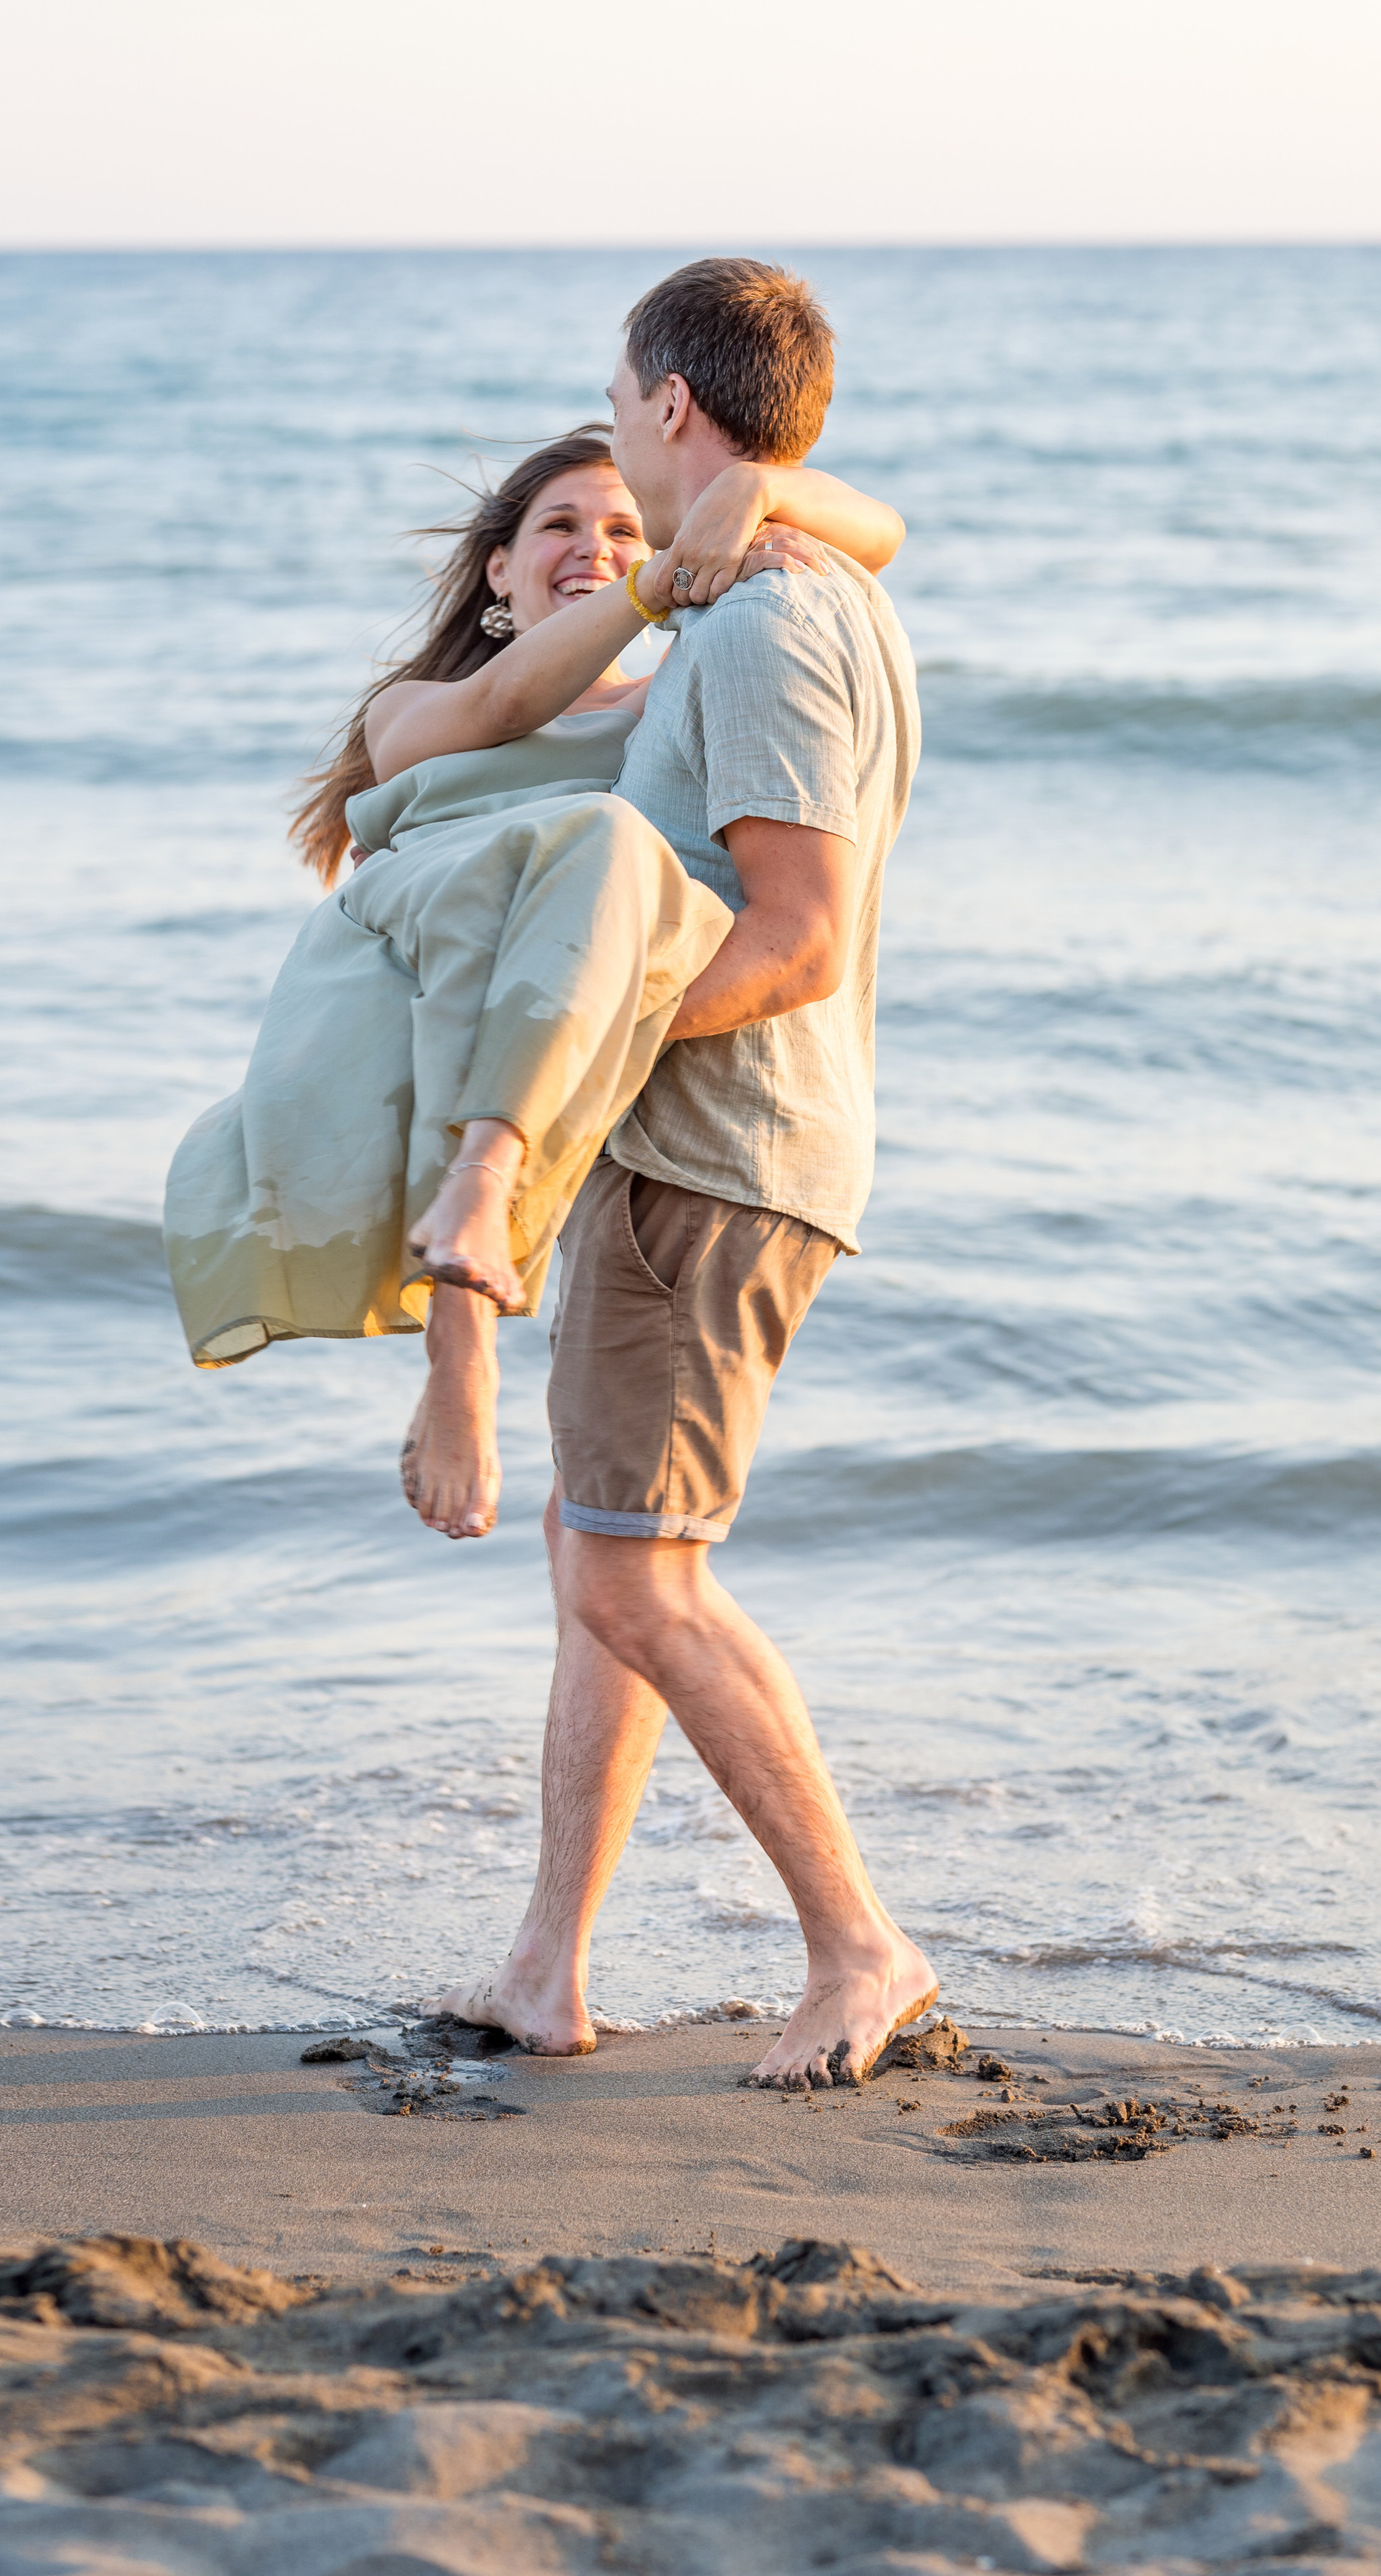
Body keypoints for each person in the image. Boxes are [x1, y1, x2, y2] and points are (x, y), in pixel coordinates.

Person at [432, 258, 936, 2090]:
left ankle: (857, 1945)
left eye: (619, 412)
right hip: (684, 1159)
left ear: (663, 400)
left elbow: (792, 936)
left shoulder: (762, 625)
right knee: (601, 1558)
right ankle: (543, 1970)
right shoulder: (810, 586)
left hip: (710, 1163)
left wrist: (570, 1067)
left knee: (640, 1585)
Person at [163, 430, 902, 1558]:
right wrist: (663, 579)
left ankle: (473, 1239)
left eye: (622, 527)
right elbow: (506, 699)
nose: (594, 550)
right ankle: (459, 1343)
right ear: (497, 569)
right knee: (602, 840)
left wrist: (755, 489)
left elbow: (883, 534)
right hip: (417, 933)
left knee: (604, 1542)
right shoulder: (411, 707)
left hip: (533, 979)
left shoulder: (673, 699)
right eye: (558, 526)